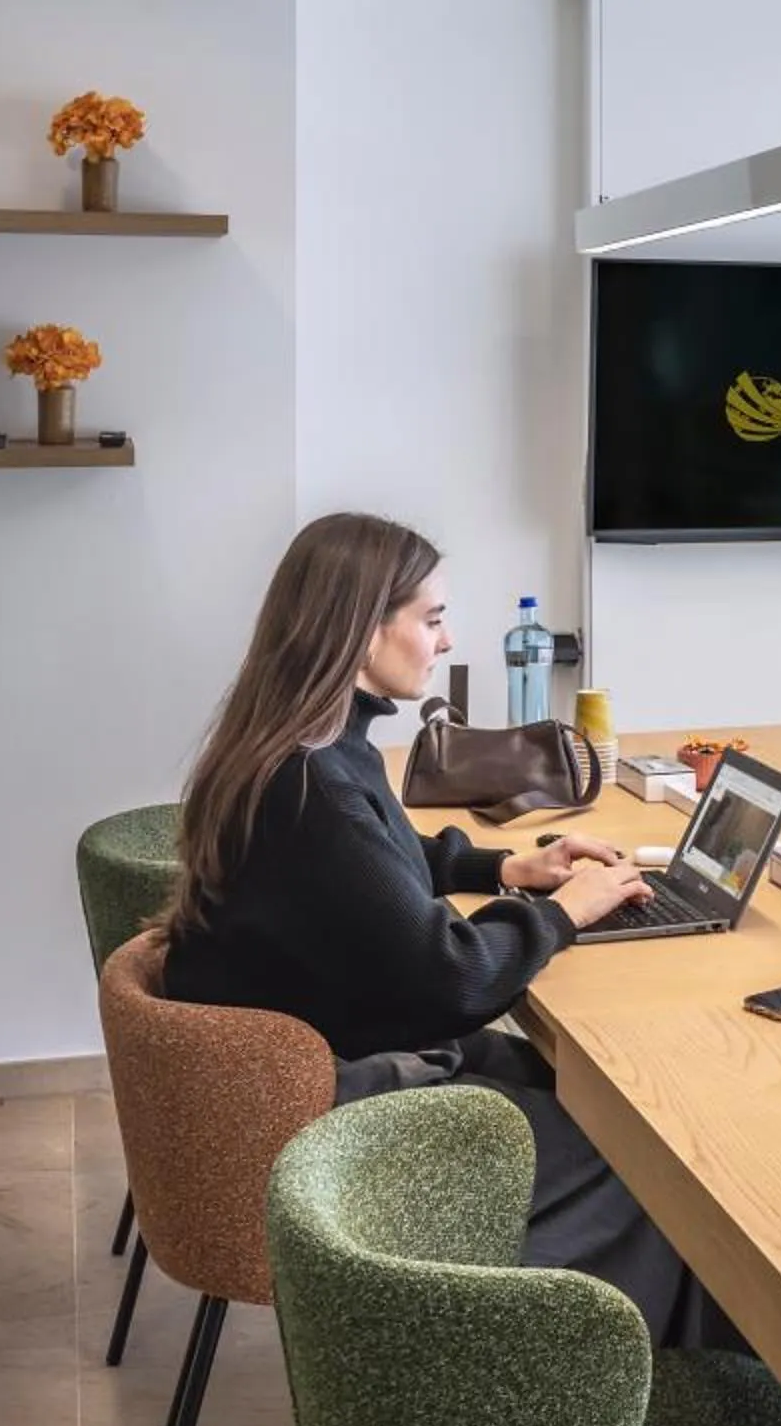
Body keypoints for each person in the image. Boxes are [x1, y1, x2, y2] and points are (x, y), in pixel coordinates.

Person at [161, 510, 737, 1349]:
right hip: (330, 1113)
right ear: (363, 632)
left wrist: (502, 871)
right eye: (430, 619)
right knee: (649, 1158)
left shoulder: (304, 748)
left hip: (307, 1070)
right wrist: (562, 913)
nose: (447, 638)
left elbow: (375, 867)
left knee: (588, 1093)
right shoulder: (314, 785)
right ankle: (538, 1371)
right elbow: (454, 979)